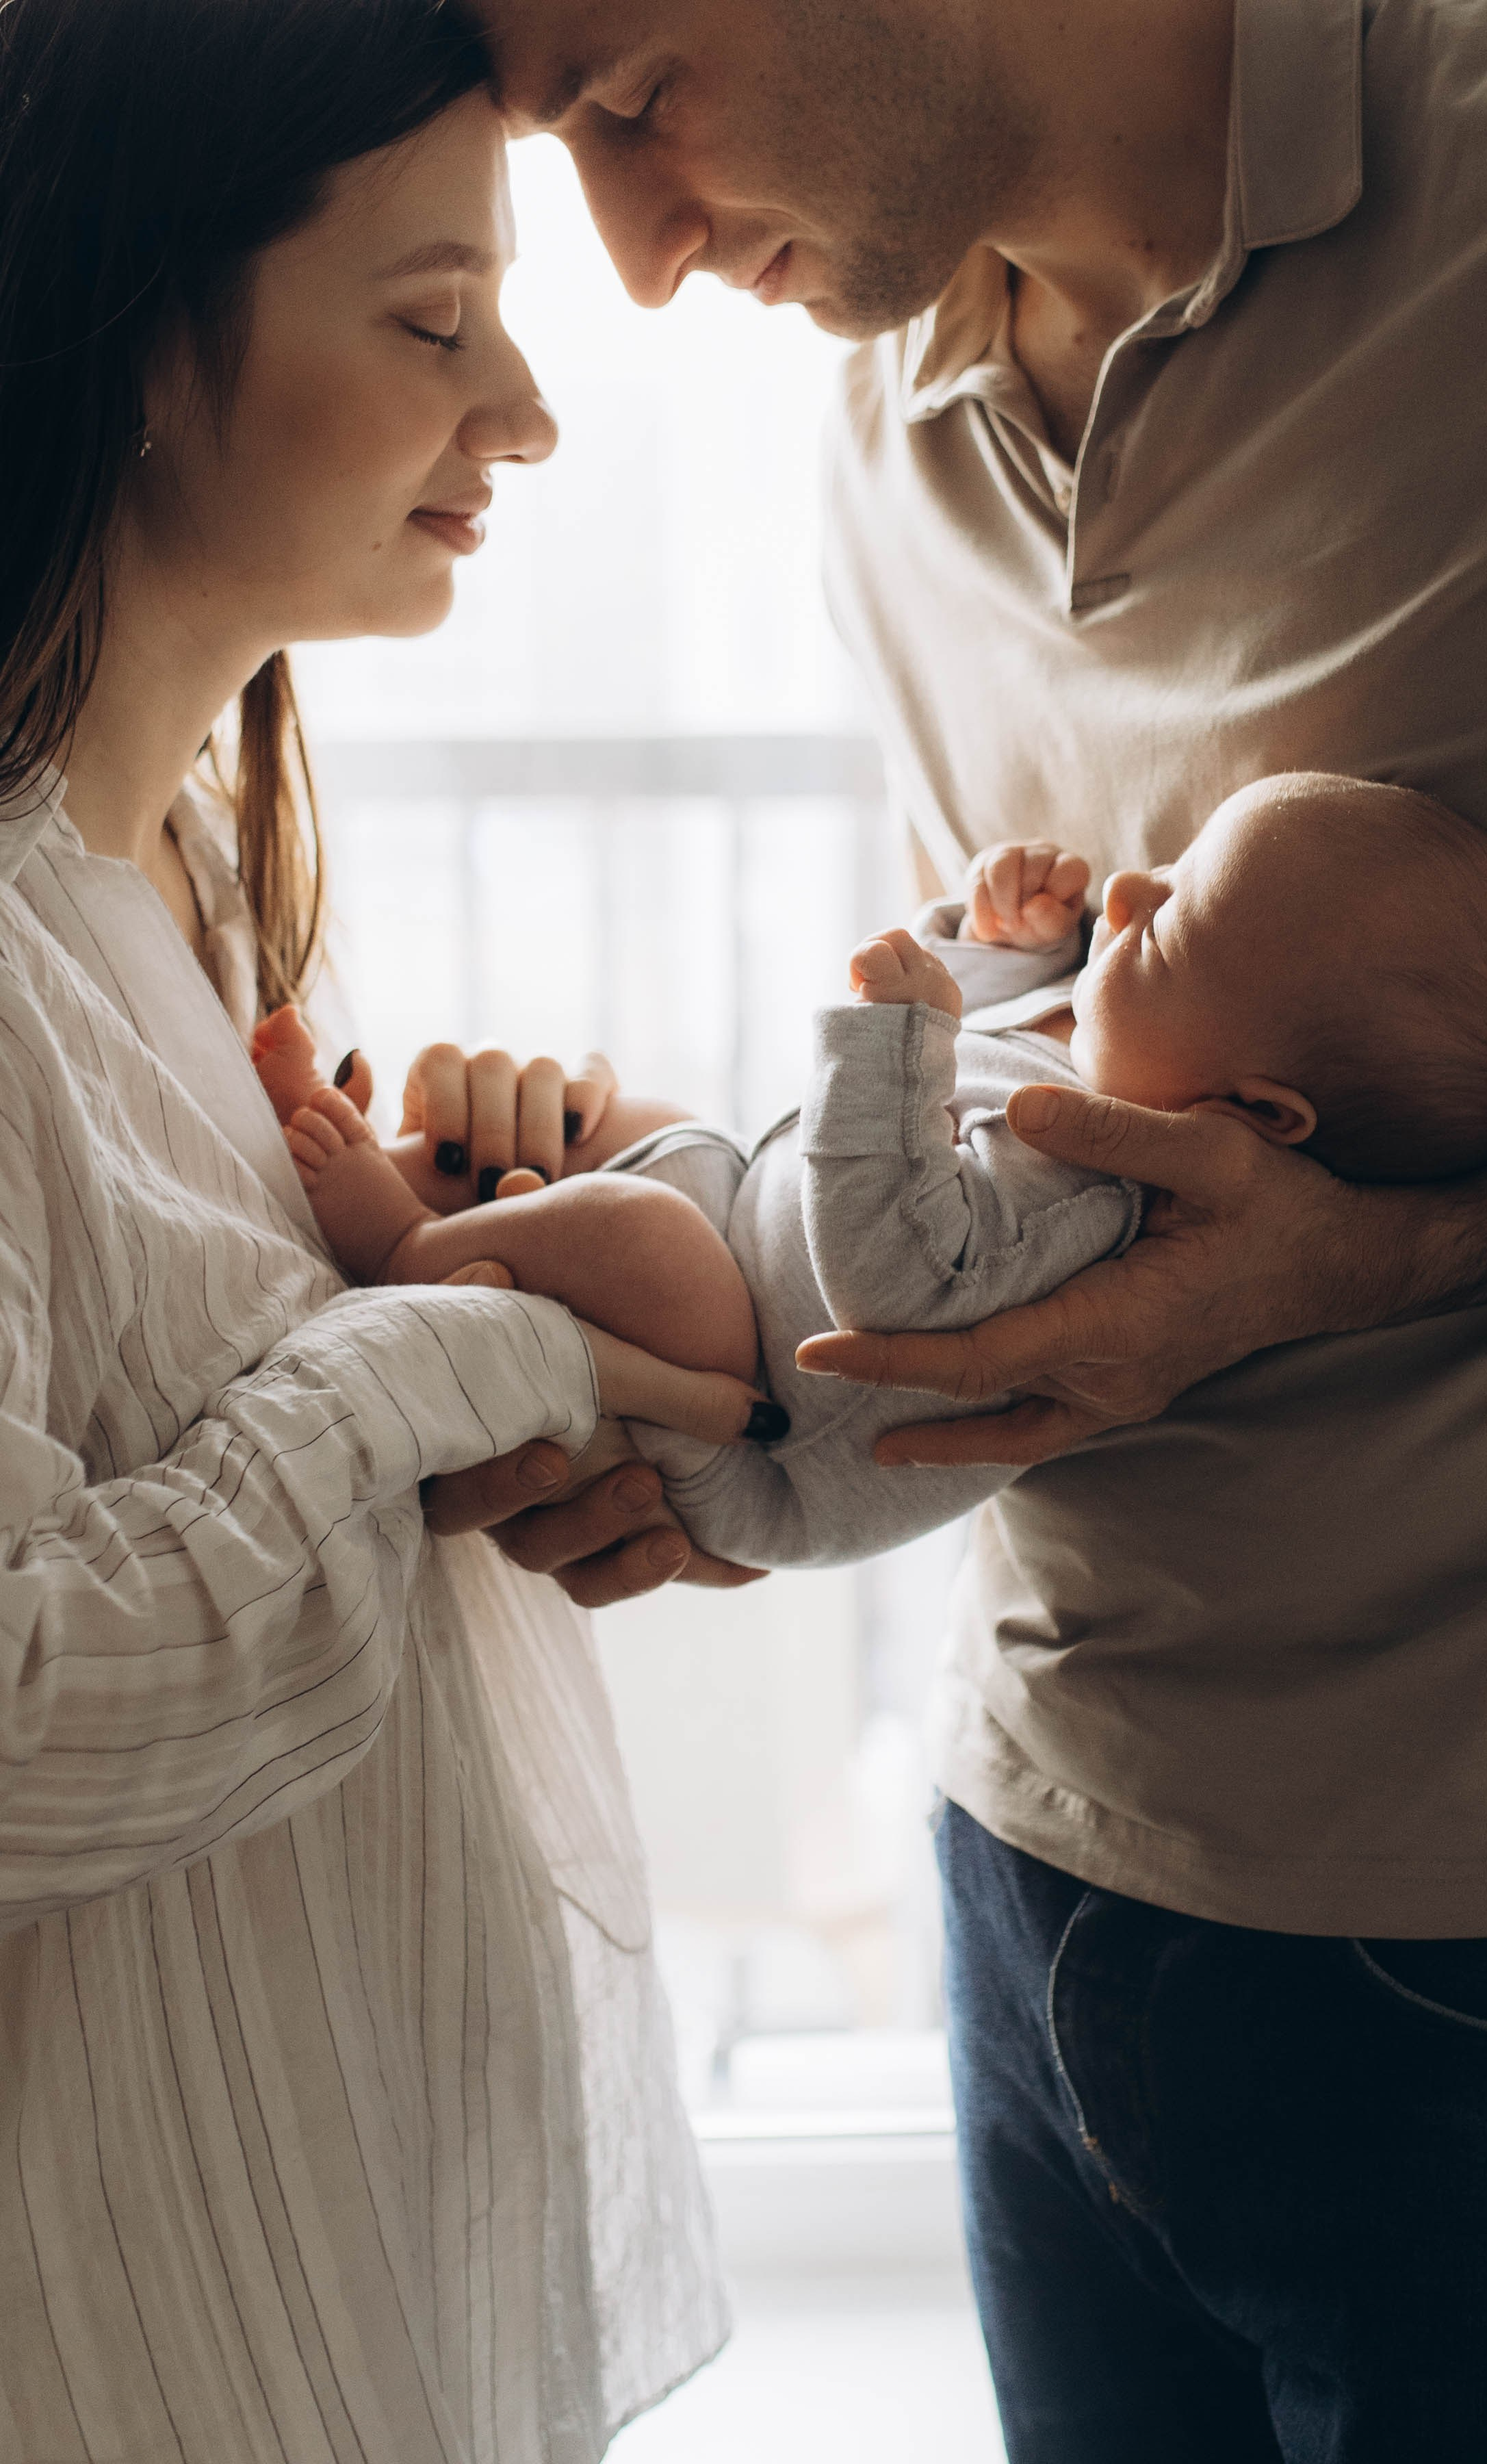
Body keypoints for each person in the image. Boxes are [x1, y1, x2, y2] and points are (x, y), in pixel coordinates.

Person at [479, 0, 1487, 2452]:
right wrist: (740, 1363)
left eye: (626, 95)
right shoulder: (879, 408)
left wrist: (1386, 1258)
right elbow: (1031, 1087)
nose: (642, 260)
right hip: (1025, 1877)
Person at [0, 3, 771, 2452]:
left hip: (343, 2232)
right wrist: (488, 1358)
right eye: (434, 321)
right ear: (125, 329)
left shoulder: (214, 891)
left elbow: (225, 1427)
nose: (528, 409)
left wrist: (472, 1239)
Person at [255, 774, 1487, 1569]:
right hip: (749, 1266)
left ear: (1259, 1112)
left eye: (1167, 926)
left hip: (754, 1422)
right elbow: (987, 1044)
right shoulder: (1124, 1065)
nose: (1127, 891)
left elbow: (890, 1276)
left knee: (646, 1246)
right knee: (648, 1130)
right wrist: (995, 942)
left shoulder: (1095, 1196)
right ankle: (425, 1176)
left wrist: (903, 1032)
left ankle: (403, 1249)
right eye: (1167, 869)